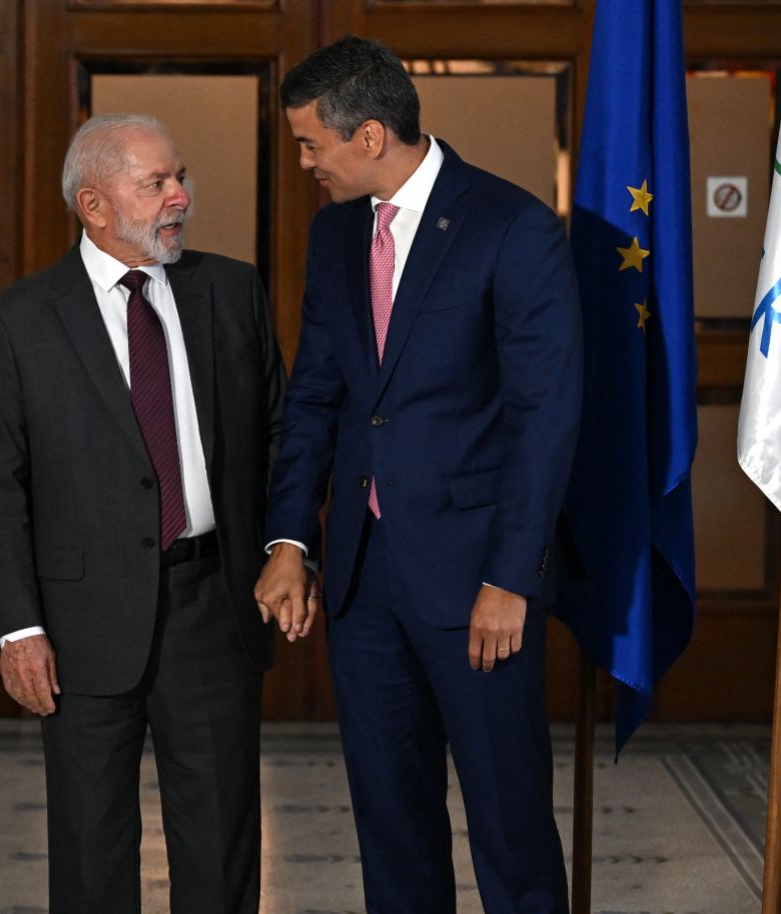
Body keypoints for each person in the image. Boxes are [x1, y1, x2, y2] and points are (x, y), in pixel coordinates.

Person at [254, 35, 581, 914]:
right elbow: (316, 396)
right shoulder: (332, 234)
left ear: (367, 136)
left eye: (310, 144)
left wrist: (511, 576)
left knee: (510, 829)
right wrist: (290, 538)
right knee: (391, 827)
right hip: (364, 583)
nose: (303, 162)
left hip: (480, 582)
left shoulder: (511, 227)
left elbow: (544, 418)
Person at [0, 114, 284, 914]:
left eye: (179, 177)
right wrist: (18, 627)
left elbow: (280, 437)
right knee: (90, 854)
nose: (181, 196)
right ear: (94, 204)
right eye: (156, 184)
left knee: (220, 851)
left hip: (214, 606)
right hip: (79, 628)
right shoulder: (19, 319)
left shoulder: (233, 289)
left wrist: (291, 549)